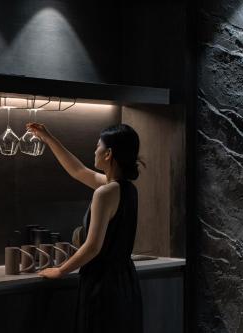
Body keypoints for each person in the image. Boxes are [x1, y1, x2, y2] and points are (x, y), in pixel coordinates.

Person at [27, 122, 144, 333]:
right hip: (125, 282)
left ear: (108, 154)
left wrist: (61, 270)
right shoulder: (127, 189)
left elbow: (92, 247)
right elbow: (78, 170)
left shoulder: (104, 193)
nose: (94, 150)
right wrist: (49, 138)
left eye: (98, 145)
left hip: (102, 286)